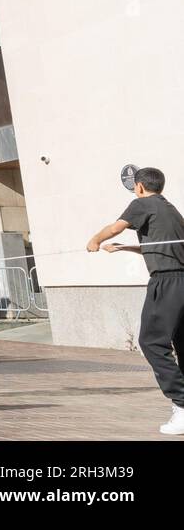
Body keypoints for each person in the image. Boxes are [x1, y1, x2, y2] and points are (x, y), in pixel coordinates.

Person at [86, 166, 184, 436]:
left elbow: (116, 227)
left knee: (151, 341)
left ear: (139, 187)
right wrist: (122, 248)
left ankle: (181, 403)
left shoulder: (143, 203)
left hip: (166, 282)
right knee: (180, 341)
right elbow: (159, 247)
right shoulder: (171, 210)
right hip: (181, 281)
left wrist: (95, 240)